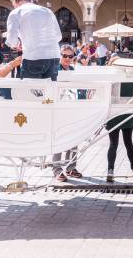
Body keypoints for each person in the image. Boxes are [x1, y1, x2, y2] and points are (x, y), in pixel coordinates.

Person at [6, 0, 62, 81]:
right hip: (54, 56)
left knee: (30, 92)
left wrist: (17, 45)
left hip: (33, 57)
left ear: (16, 2)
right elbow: (58, 36)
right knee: (50, 91)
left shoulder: (16, 12)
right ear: (30, 1)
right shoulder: (47, 11)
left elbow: (11, 40)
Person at [105, 75, 133, 182]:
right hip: (127, 113)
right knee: (128, 143)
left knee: (113, 144)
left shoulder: (111, 79)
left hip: (113, 114)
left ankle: (110, 171)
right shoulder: (131, 79)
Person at [53, 44, 83, 182]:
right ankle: (57, 170)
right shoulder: (54, 70)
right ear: (60, 56)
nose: (67, 58)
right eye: (64, 55)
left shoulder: (72, 69)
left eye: (70, 56)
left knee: (74, 139)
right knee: (59, 140)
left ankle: (71, 167)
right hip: (58, 109)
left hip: (71, 108)